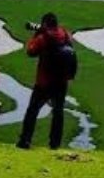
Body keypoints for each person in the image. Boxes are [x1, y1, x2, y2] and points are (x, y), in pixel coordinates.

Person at [16, 12, 74, 150]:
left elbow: (30, 51)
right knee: (58, 112)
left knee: (32, 110)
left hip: (44, 81)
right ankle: (55, 144)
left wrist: (36, 35)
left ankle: (25, 141)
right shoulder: (65, 34)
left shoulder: (43, 37)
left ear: (44, 24)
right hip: (62, 81)